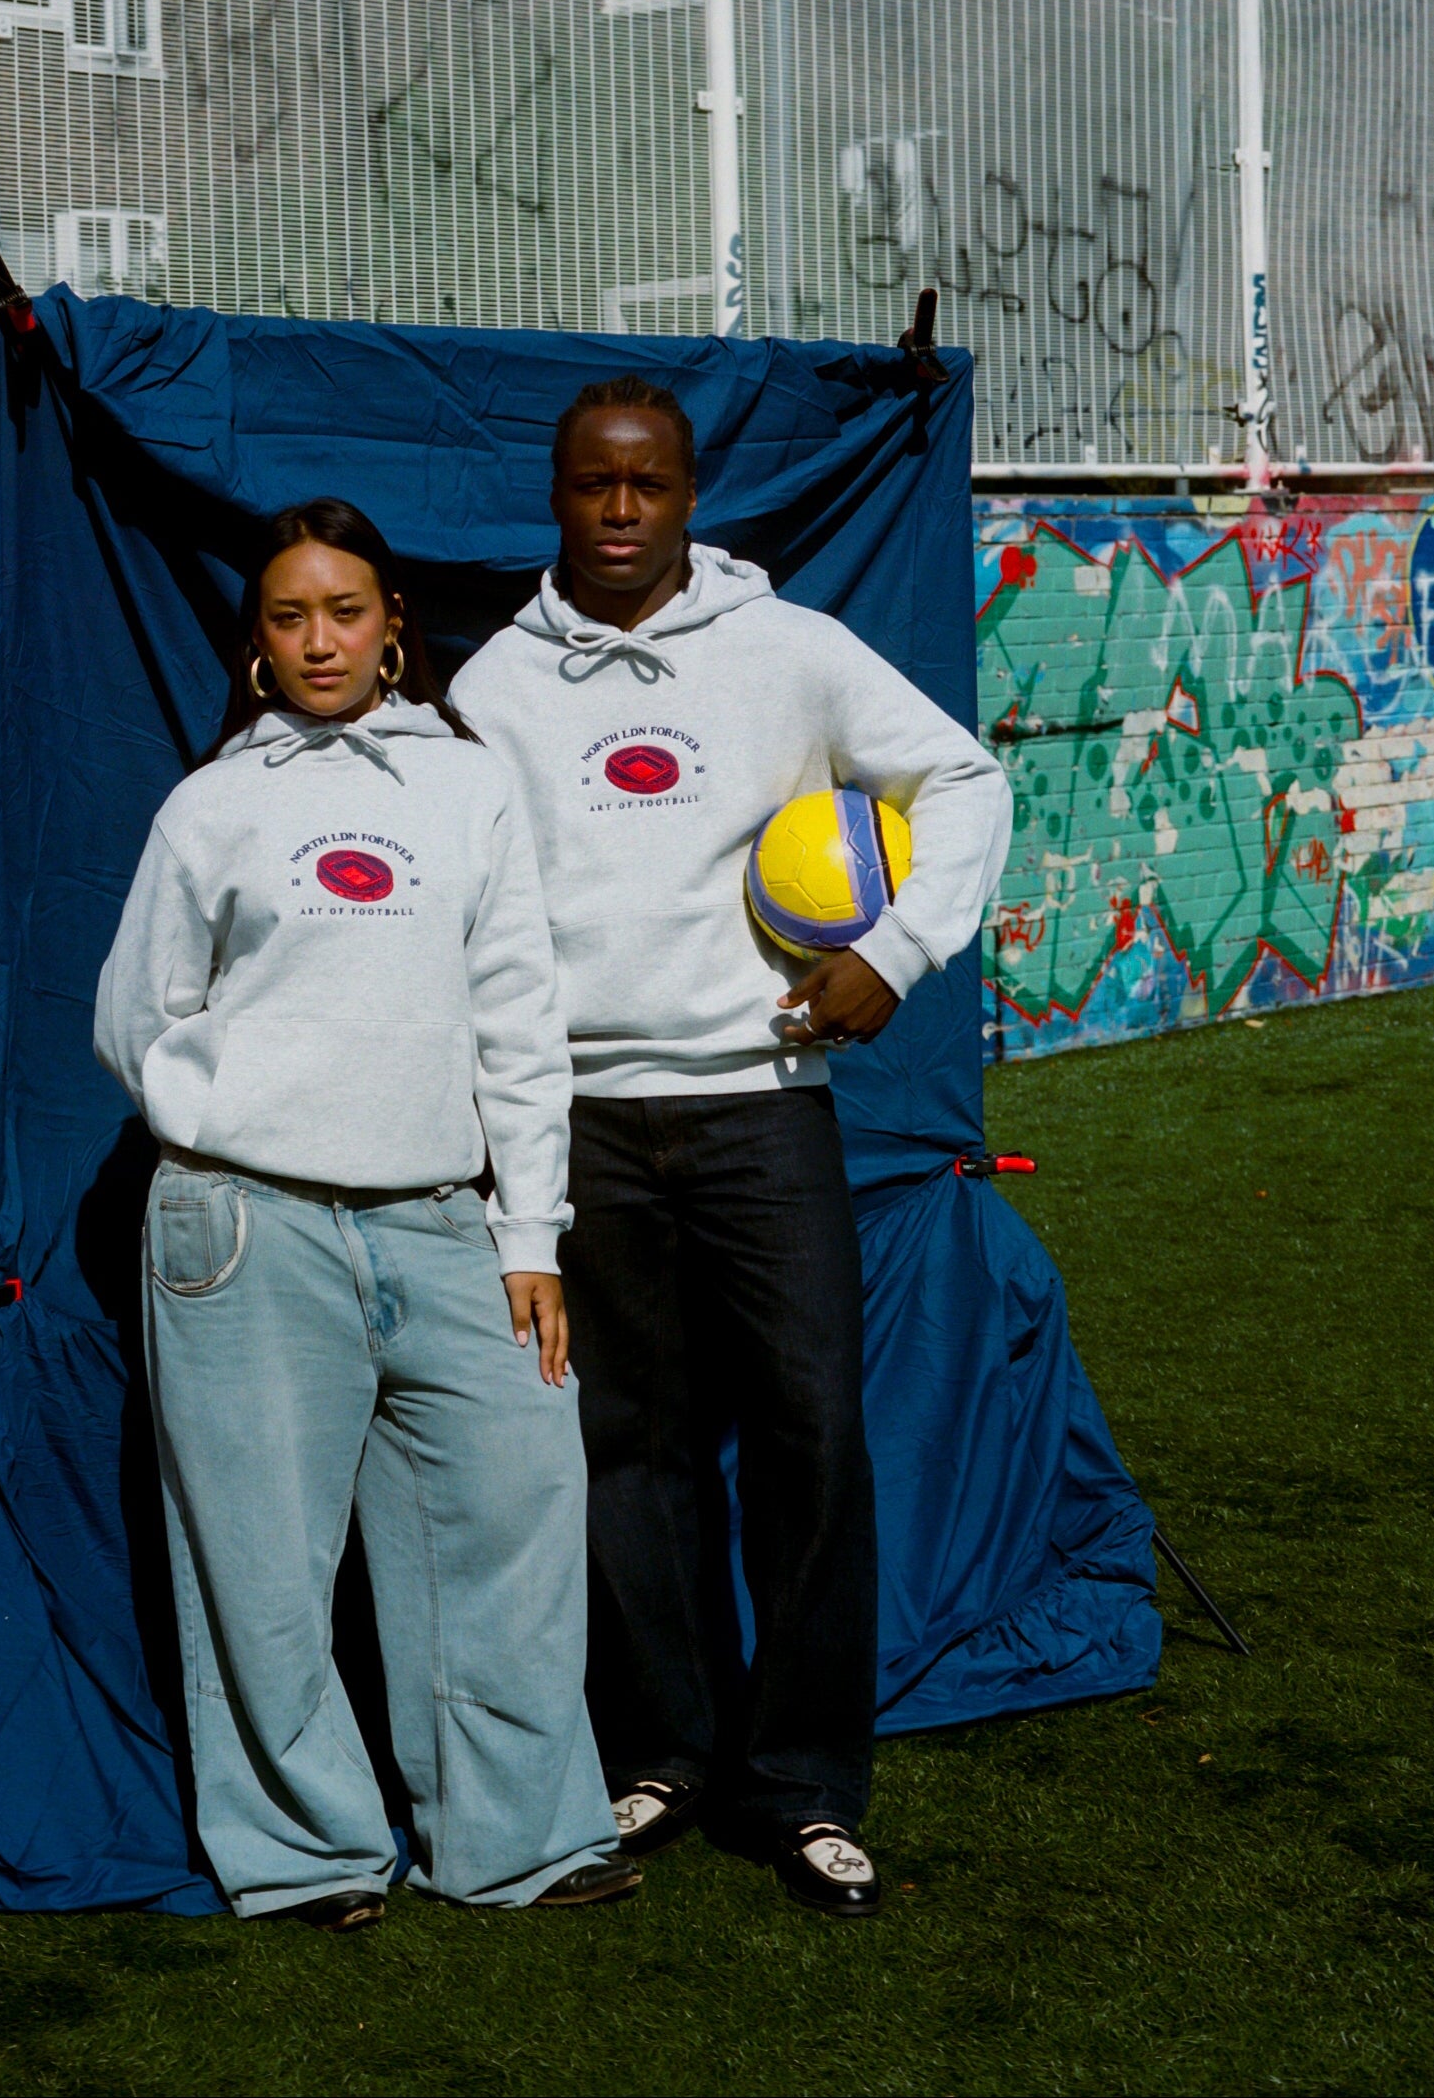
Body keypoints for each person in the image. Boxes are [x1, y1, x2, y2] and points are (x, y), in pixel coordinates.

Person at [451, 379, 1012, 1918]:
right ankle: (662, 1752)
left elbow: (966, 779)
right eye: (591, 486)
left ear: (692, 493)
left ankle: (811, 1782)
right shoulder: (497, 687)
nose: (620, 512)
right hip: (584, 1124)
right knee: (621, 1453)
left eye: (648, 484)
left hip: (764, 1109)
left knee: (809, 1439)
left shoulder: (791, 650)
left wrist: (897, 954)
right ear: (556, 497)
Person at [95, 499, 637, 1932]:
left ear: (394, 621)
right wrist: (232, 1113)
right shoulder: (212, 805)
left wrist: (531, 1235)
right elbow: (131, 1018)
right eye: (289, 616)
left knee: (513, 1523)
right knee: (264, 1569)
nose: (320, 639)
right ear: (258, 644)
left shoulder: (466, 789)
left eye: (346, 610)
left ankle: (516, 1839)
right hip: (247, 1231)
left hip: (443, 1225)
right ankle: (309, 1855)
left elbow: (523, 1020)